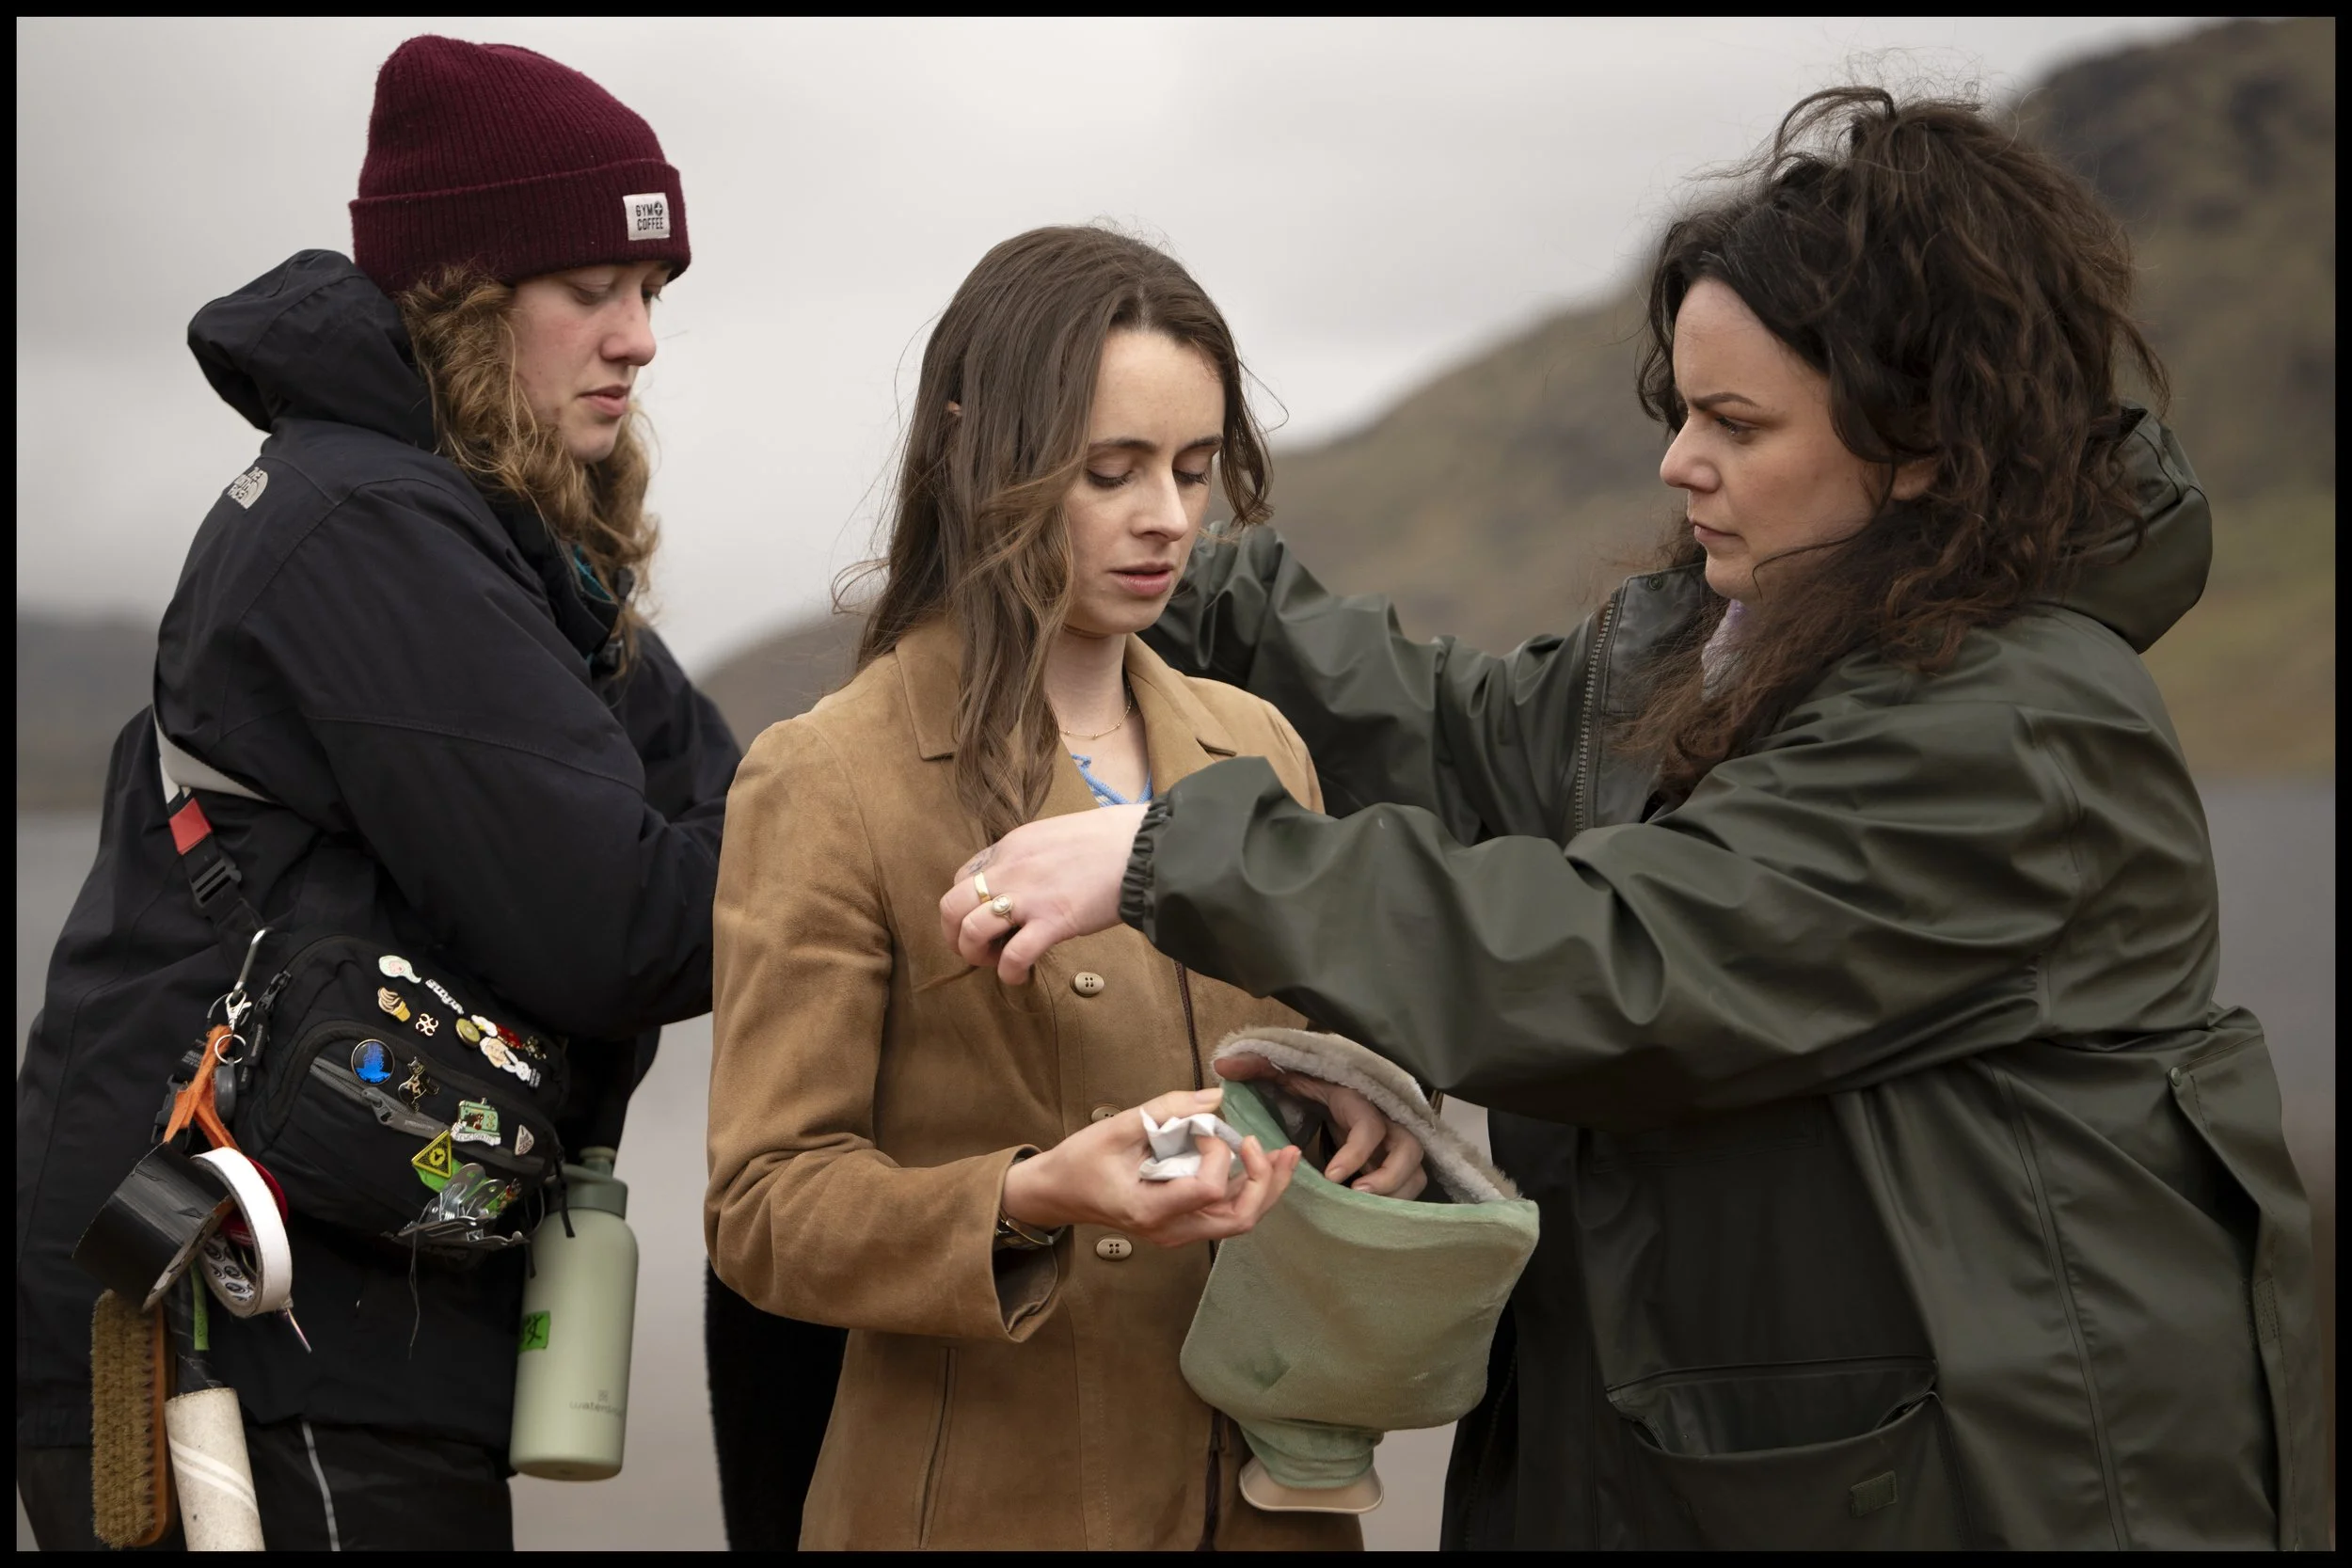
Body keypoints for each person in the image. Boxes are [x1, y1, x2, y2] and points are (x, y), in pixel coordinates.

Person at [937, 88, 2328, 1549]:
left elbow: (1626, 960)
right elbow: (1466, 737)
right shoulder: (1739, 641)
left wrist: (1171, 851)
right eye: (1682, 412)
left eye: (1736, 422)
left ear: (1923, 444)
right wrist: (1186, 583)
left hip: (1971, 1491)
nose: (1680, 463)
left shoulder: (2023, 727)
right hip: (1730, 1460)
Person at [15, 36, 762, 1551]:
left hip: (331, 1303)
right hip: (232, 1317)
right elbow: (632, 922)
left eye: (654, 294)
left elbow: (741, 812)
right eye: (590, 291)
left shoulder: (510, 549)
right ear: (465, 305)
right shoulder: (363, 528)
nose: (639, 340)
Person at [705, 226, 1428, 1552]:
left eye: (1195, 470)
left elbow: (1327, 1058)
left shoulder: (1257, 747)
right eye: (1113, 471)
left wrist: (1372, 1117)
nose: (1167, 515)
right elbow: (764, 1208)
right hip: (975, 1507)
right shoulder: (827, 776)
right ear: (978, 451)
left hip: (1271, 1507)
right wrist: (1036, 1192)